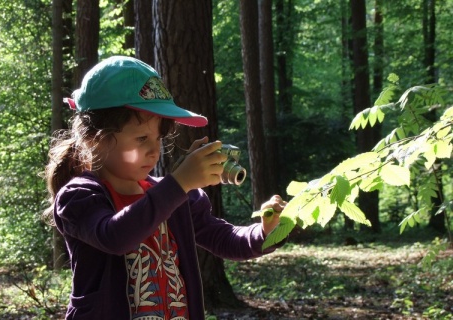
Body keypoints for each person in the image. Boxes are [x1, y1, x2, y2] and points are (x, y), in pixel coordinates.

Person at [44, 56, 287, 320]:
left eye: (158, 138)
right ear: (95, 140)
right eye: (141, 138)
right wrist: (180, 183)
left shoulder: (174, 197)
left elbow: (224, 239)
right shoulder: (78, 196)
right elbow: (115, 237)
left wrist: (266, 232)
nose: (154, 150)